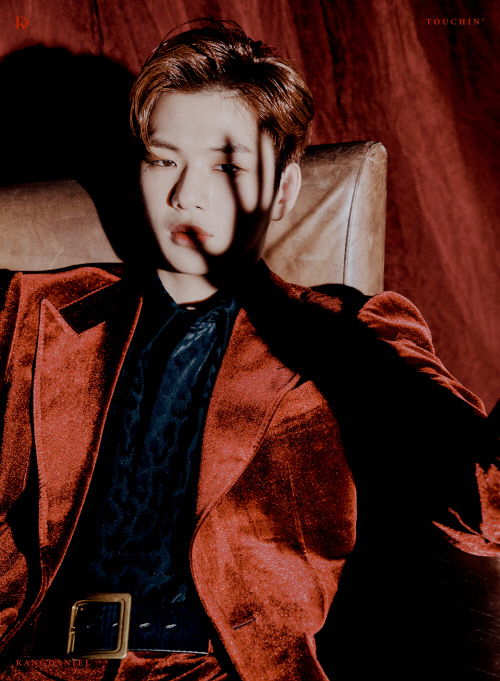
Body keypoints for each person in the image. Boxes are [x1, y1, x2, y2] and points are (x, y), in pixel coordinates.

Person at [0, 20, 498, 681]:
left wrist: (323, 344)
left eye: (227, 166)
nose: (186, 193)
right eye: (163, 159)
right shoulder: (33, 309)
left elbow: (481, 504)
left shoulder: (348, 331)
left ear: (283, 190)